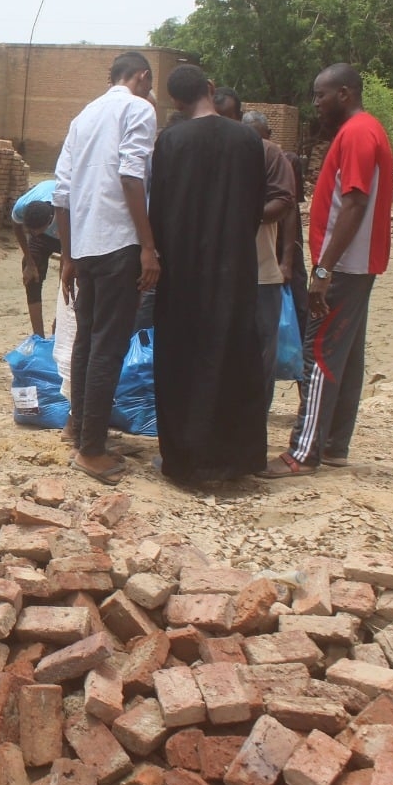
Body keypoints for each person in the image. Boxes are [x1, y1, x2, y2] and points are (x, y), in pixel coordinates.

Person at [263, 63, 393, 478]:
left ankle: (303, 451)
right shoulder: (364, 130)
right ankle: (336, 444)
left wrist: (323, 271)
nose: (315, 103)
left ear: (345, 93)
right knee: (347, 354)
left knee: (319, 353)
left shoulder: (357, 133)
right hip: (355, 265)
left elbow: (354, 203)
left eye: (321, 95)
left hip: (343, 267)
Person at [147, 66, 270, 484]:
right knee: (234, 355)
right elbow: (256, 206)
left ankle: (184, 462)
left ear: (177, 103)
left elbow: (158, 209)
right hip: (235, 267)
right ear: (211, 91)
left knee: (182, 359)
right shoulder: (248, 139)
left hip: (183, 271)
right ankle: (236, 461)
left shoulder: (171, 141)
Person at [54, 52, 159, 486]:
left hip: (87, 245)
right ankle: (92, 450)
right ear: (143, 77)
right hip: (119, 243)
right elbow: (132, 176)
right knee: (108, 347)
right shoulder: (139, 108)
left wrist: (68, 255)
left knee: (86, 341)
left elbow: (61, 191)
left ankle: (79, 429)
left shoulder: (84, 116)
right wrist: (149, 246)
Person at [244, 110, 303, 412]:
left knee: (267, 348)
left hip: (267, 268)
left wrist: (287, 260)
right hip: (246, 271)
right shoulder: (239, 159)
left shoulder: (281, 160)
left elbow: (288, 210)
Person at [246, 109, 310, 341]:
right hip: (260, 245)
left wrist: (287, 260)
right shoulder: (244, 156)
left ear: (269, 134)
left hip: (284, 241)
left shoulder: (286, 160)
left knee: (298, 304)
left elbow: (290, 210)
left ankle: (302, 368)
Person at [10, 179, 60, 338]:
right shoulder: (21, 207)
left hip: (65, 236)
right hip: (43, 237)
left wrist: (60, 317)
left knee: (69, 282)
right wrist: (30, 262)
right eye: (30, 231)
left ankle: (60, 326)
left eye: (37, 231)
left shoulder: (67, 211)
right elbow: (17, 227)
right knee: (31, 277)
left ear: (49, 221)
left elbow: (68, 259)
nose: (33, 234)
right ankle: (38, 337)